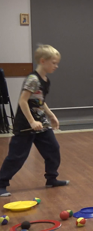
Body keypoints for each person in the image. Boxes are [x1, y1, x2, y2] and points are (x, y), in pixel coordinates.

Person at [0, 45, 69, 197]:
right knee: (17, 157)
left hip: (41, 124)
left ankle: (51, 179)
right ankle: (1, 184)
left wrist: (51, 115)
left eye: (57, 63)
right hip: (26, 125)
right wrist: (31, 122)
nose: (56, 66)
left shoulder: (46, 80)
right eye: (54, 63)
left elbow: (39, 101)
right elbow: (23, 101)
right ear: (43, 61)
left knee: (53, 149)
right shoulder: (33, 79)